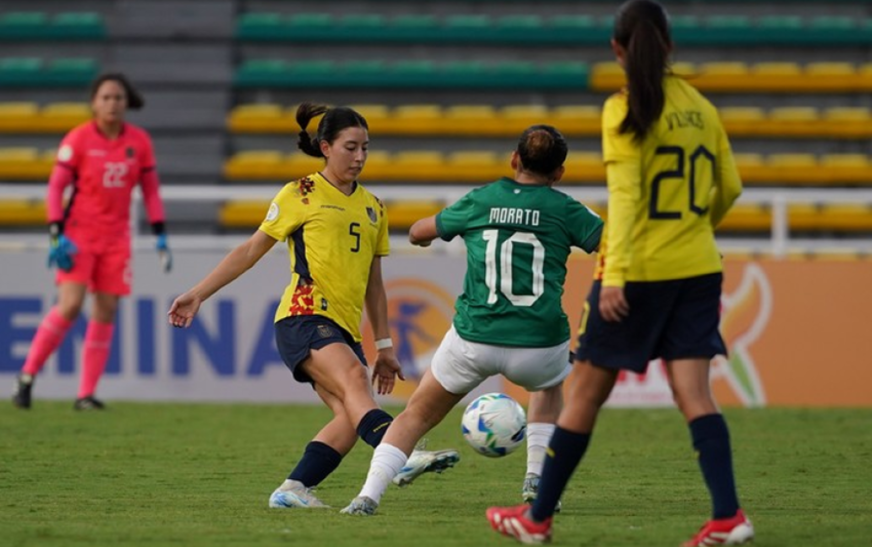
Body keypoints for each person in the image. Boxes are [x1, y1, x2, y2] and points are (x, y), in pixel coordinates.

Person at [486, 2, 752, 545]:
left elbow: (626, 202)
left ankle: (536, 519)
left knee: (582, 393)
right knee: (695, 394)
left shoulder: (624, 109)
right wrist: (695, 233)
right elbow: (729, 189)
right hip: (698, 267)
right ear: (670, 45)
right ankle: (728, 516)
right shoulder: (702, 107)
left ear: (617, 50)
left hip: (640, 272)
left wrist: (616, 276)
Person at [167, 103, 458, 509]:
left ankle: (292, 489)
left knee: (349, 417)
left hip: (344, 328)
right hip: (302, 316)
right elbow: (252, 249)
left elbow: (374, 283)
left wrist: (386, 345)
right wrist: (199, 292)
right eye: (350, 147)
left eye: (365, 148)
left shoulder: (374, 206)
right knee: (356, 381)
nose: (359, 157)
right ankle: (401, 453)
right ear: (325, 147)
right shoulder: (299, 193)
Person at [340, 124, 604, 516]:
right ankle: (535, 477)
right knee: (550, 385)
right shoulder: (567, 209)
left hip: (474, 339)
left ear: (514, 160)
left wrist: (430, 236)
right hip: (538, 342)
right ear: (560, 173)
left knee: (418, 414)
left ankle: (367, 496)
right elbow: (614, 245)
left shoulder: (483, 199)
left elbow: (417, 232)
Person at [12, 72, 171, 411]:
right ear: (94, 103)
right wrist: (55, 233)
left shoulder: (139, 141)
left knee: (106, 309)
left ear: (126, 103)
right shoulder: (79, 139)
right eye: (106, 97)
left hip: (116, 238)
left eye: (118, 97)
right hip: (79, 235)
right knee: (70, 305)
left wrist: (160, 234)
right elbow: (56, 188)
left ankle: (85, 394)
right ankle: (26, 377)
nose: (112, 103)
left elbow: (151, 190)